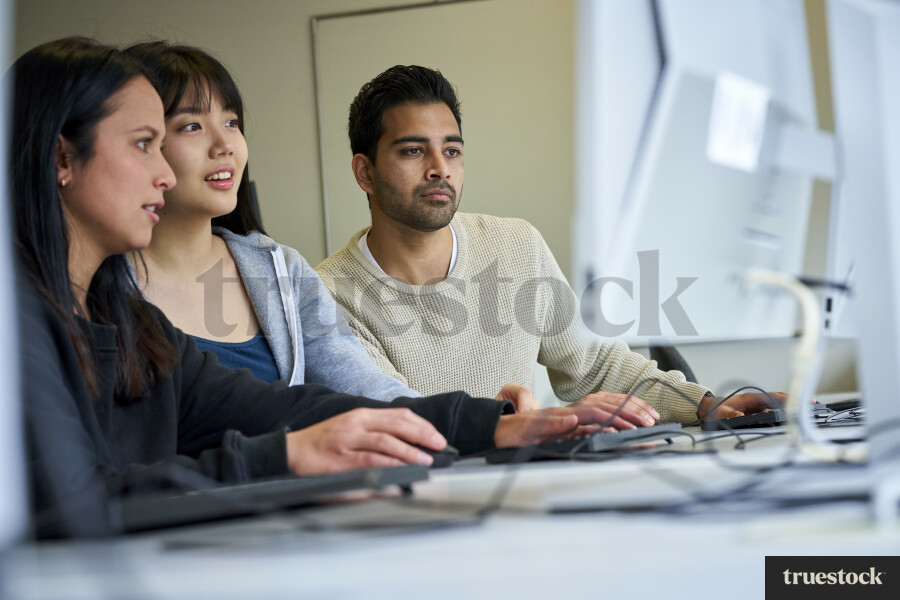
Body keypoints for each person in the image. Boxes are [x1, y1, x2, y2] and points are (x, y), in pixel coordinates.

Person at [8, 39, 622, 537]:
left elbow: (289, 407)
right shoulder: (18, 326)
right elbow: (70, 501)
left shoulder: (129, 326)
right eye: (147, 144)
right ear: (62, 160)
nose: (165, 172)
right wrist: (290, 457)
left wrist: (488, 424)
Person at [315, 65, 783, 424]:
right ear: (364, 172)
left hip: (526, 499)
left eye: (452, 150)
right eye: (414, 151)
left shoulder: (515, 245)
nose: (440, 168)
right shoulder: (326, 293)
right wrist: (535, 424)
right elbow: (399, 417)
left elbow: (595, 365)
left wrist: (705, 403)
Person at [123, 41, 541, 414]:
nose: (225, 145)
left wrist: (485, 423)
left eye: (232, 123)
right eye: (192, 125)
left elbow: (370, 394)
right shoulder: (95, 286)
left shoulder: (280, 271)